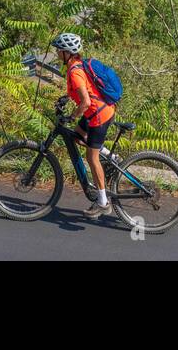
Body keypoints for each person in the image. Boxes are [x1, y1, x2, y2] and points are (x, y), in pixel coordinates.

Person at [51, 32, 116, 219]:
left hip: (98, 116)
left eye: (59, 50)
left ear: (67, 53)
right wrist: (66, 98)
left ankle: (103, 203)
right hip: (97, 112)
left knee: (91, 157)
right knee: (78, 135)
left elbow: (86, 102)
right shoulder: (76, 65)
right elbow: (85, 92)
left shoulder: (75, 71)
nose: (57, 53)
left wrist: (72, 116)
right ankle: (111, 156)